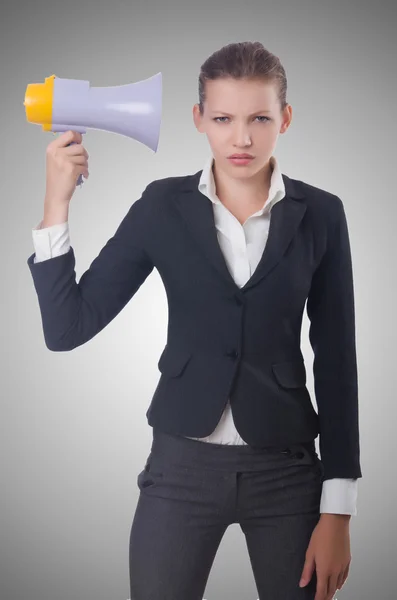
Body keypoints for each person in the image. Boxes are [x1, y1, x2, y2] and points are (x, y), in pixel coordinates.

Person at [27, 41, 362, 600]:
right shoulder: (162, 207)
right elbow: (66, 329)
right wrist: (56, 203)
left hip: (286, 471)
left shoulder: (322, 214)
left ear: (285, 118)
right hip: (180, 467)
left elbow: (337, 362)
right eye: (223, 118)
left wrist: (340, 510)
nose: (242, 138)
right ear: (198, 119)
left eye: (259, 118)